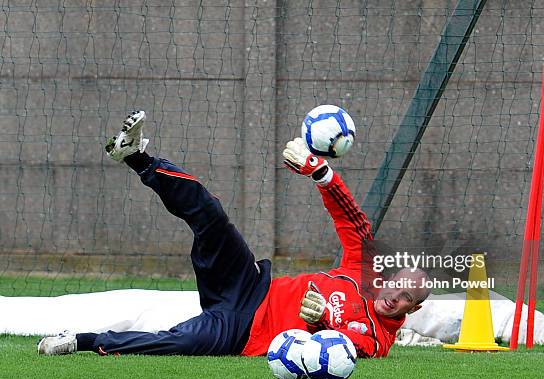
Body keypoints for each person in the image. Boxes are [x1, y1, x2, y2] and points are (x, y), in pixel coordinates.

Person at [37, 111, 431, 358]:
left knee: (181, 343)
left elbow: (353, 346)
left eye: (405, 300)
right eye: (396, 288)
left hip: (242, 334)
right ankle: (136, 155)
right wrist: (322, 174)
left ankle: (80, 341)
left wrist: (326, 320)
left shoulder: (379, 340)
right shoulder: (361, 274)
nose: (393, 298)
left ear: (411, 310)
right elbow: (355, 224)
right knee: (212, 216)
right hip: (251, 285)